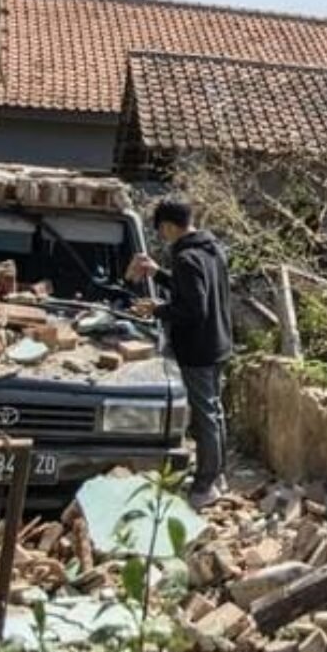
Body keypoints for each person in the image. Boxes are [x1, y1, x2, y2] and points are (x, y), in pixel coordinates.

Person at [130, 201, 233, 509]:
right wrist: (159, 274)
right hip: (219, 342)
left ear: (169, 226)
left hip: (198, 349)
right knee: (214, 412)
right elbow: (193, 289)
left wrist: (157, 310)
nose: (162, 237)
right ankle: (217, 475)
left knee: (204, 418)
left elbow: (192, 308)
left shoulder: (186, 257)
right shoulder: (212, 249)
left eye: (161, 231)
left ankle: (204, 486)